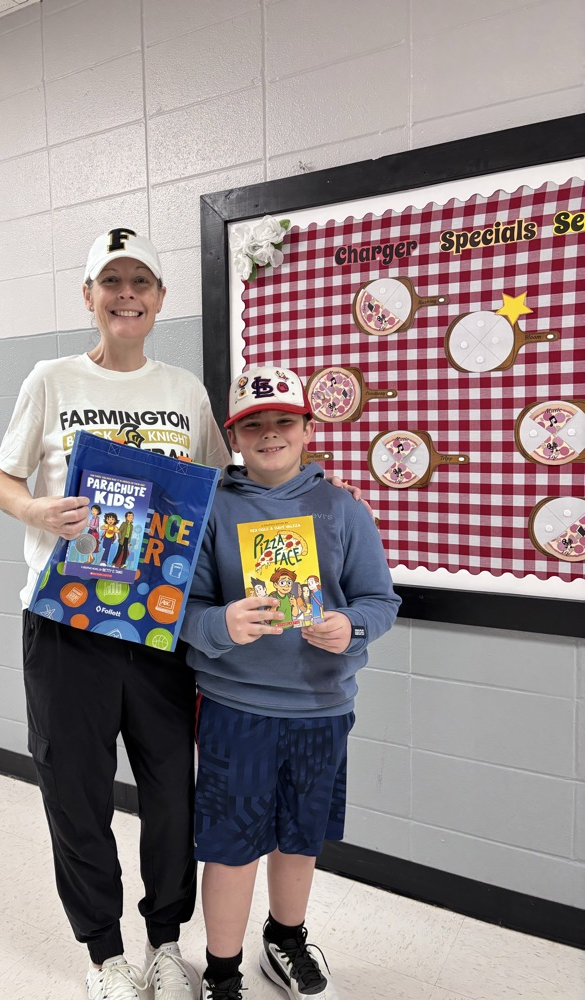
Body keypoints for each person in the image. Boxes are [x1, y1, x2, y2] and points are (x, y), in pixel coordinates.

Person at [0, 228, 364, 1000]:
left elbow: (227, 492)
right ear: (88, 295)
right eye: (111, 281)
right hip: (68, 624)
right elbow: (2, 479)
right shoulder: (50, 379)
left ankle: (165, 942)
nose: (126, 295)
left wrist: (314, 514)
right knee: (77, 793)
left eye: (141, 282)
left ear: (160, 298)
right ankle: (104, 954)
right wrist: (36, 510)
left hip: (160, 624)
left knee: (171, 796)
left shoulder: (184, 390)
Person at [180, 366, 400, 1000]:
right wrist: (220, 624)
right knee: (231, 846)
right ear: (233, 438)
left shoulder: (342, 508)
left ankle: (285, 938)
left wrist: (351, 626)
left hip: (321, 708)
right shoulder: (214, 508)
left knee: (301, 837)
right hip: (234, 707)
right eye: (253, 425)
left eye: (284, 421)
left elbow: (380, 600)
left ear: (308, 429)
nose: (270, 434)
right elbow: (182, 608)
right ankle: (223, 971)